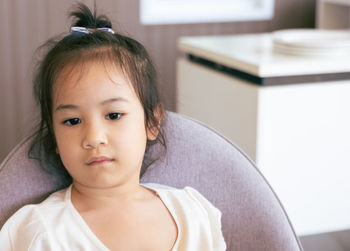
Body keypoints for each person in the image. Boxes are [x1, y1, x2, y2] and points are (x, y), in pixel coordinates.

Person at [0, 3, 226, 250]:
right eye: (72, 121)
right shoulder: (41, 232)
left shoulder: (193, 214)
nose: (94, 138)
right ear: (54, 137)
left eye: (114, 115)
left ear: (151, 122)